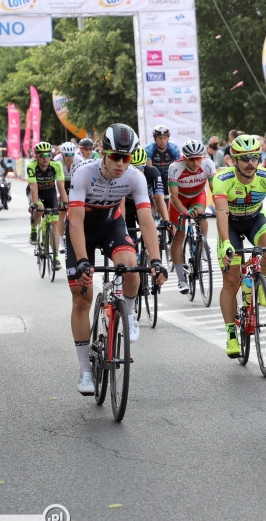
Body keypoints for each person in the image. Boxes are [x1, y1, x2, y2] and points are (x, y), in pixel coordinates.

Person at [66, 124, 168, 395]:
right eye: (116, 157)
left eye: (127, 156)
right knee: (81, 299)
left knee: (132, 268)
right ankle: (86, 371)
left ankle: (130, 313)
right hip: (82, 230)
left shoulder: (135, 177)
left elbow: (146, 219)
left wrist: (156, 260)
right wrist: (82, 261)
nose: (122, 163)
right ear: (103, 152)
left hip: (111, 225)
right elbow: (75, 221)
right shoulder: (83, 173)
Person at [212, 135, 266, 358]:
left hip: (254, 220)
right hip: (229, 224)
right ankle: (231, 334)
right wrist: (226, 244)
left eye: (255, 157)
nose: (251, 162)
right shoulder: (223, 179)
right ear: (234, 160)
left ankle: (260, 281)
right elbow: (221, 213)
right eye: (245, 158)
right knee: (231, 281)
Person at [168, 139, 217, 292]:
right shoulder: (175, 167)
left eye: (198, 158)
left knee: (201, 215)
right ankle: (181, 280)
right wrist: (184, 212)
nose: (196, 162)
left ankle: (203, 242)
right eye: (191, 159)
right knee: (179, 237)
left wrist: (221, 207)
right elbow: (173, 196)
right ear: (185, 158)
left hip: (197, 196)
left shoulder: (208, 164)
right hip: (179, 199)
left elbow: (215, 189)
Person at [27, 141, 69, 268]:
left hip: (50, 193)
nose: (45, 159)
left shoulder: (56, 165)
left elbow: (61, 185)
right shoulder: (31, 166)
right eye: (42, 156)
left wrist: (65, 202)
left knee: (55, 225)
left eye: (48, 155)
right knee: (39, 209)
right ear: (36, 157)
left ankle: (55, 257)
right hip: (36, 193)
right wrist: (34, 205)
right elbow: (33, 187)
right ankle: (34, 229)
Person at [124, 147, 170, 235]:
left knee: (149, 234)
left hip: (146, 204)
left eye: (140, 167)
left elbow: (159, 198)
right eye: (133, 168)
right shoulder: (122, 174)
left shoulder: (152, 172)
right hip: (128, 206)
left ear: (145, 165)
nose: (137, 172)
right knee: (129, 238)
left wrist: (166, 220)